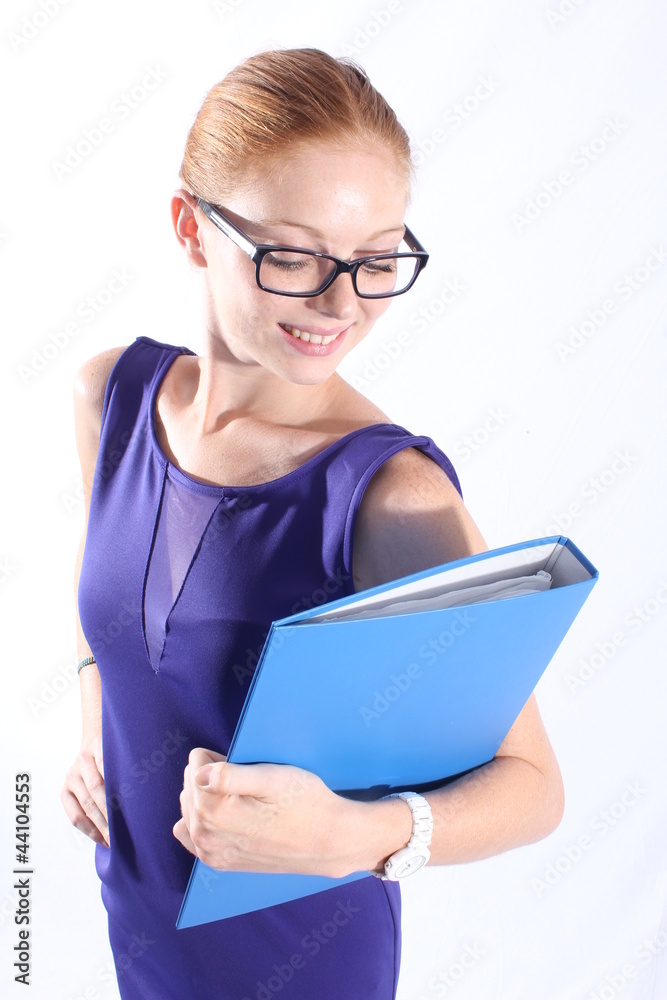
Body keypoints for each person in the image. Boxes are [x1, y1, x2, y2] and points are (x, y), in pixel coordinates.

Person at [61, 47, 564, 1000]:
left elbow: (533, 786)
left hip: (302, 961)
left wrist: (357, 834)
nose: (341, 305)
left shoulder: (393, 497)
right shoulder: (111, 400)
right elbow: (115, 612)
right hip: (138, 926)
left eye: (375, 262)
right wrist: (97, 730)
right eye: (293, 257)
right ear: (190, 227)